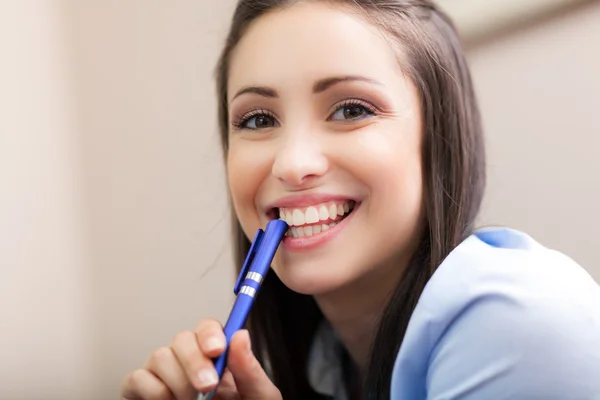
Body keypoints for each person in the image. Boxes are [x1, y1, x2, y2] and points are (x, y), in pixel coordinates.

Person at [121, 1, 600, 399]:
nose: (292, 163)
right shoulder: (327, 361)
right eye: (258, 120)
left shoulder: (519, 323)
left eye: (351, 109)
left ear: (437, 139)